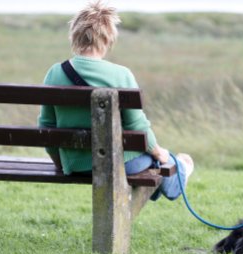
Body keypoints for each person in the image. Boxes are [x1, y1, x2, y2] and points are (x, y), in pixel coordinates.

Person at [38, 0, 193, 201]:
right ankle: (182, 169)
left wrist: (62, 164)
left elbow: (46, 127)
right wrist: (159, 153)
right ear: (108, 37)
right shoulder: (121, 75)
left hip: (76, 165)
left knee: (156, 159)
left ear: (75, 34)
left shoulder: (54, 73)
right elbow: (138, 126)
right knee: (163, 160)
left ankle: (177, 167)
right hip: (117, 163)